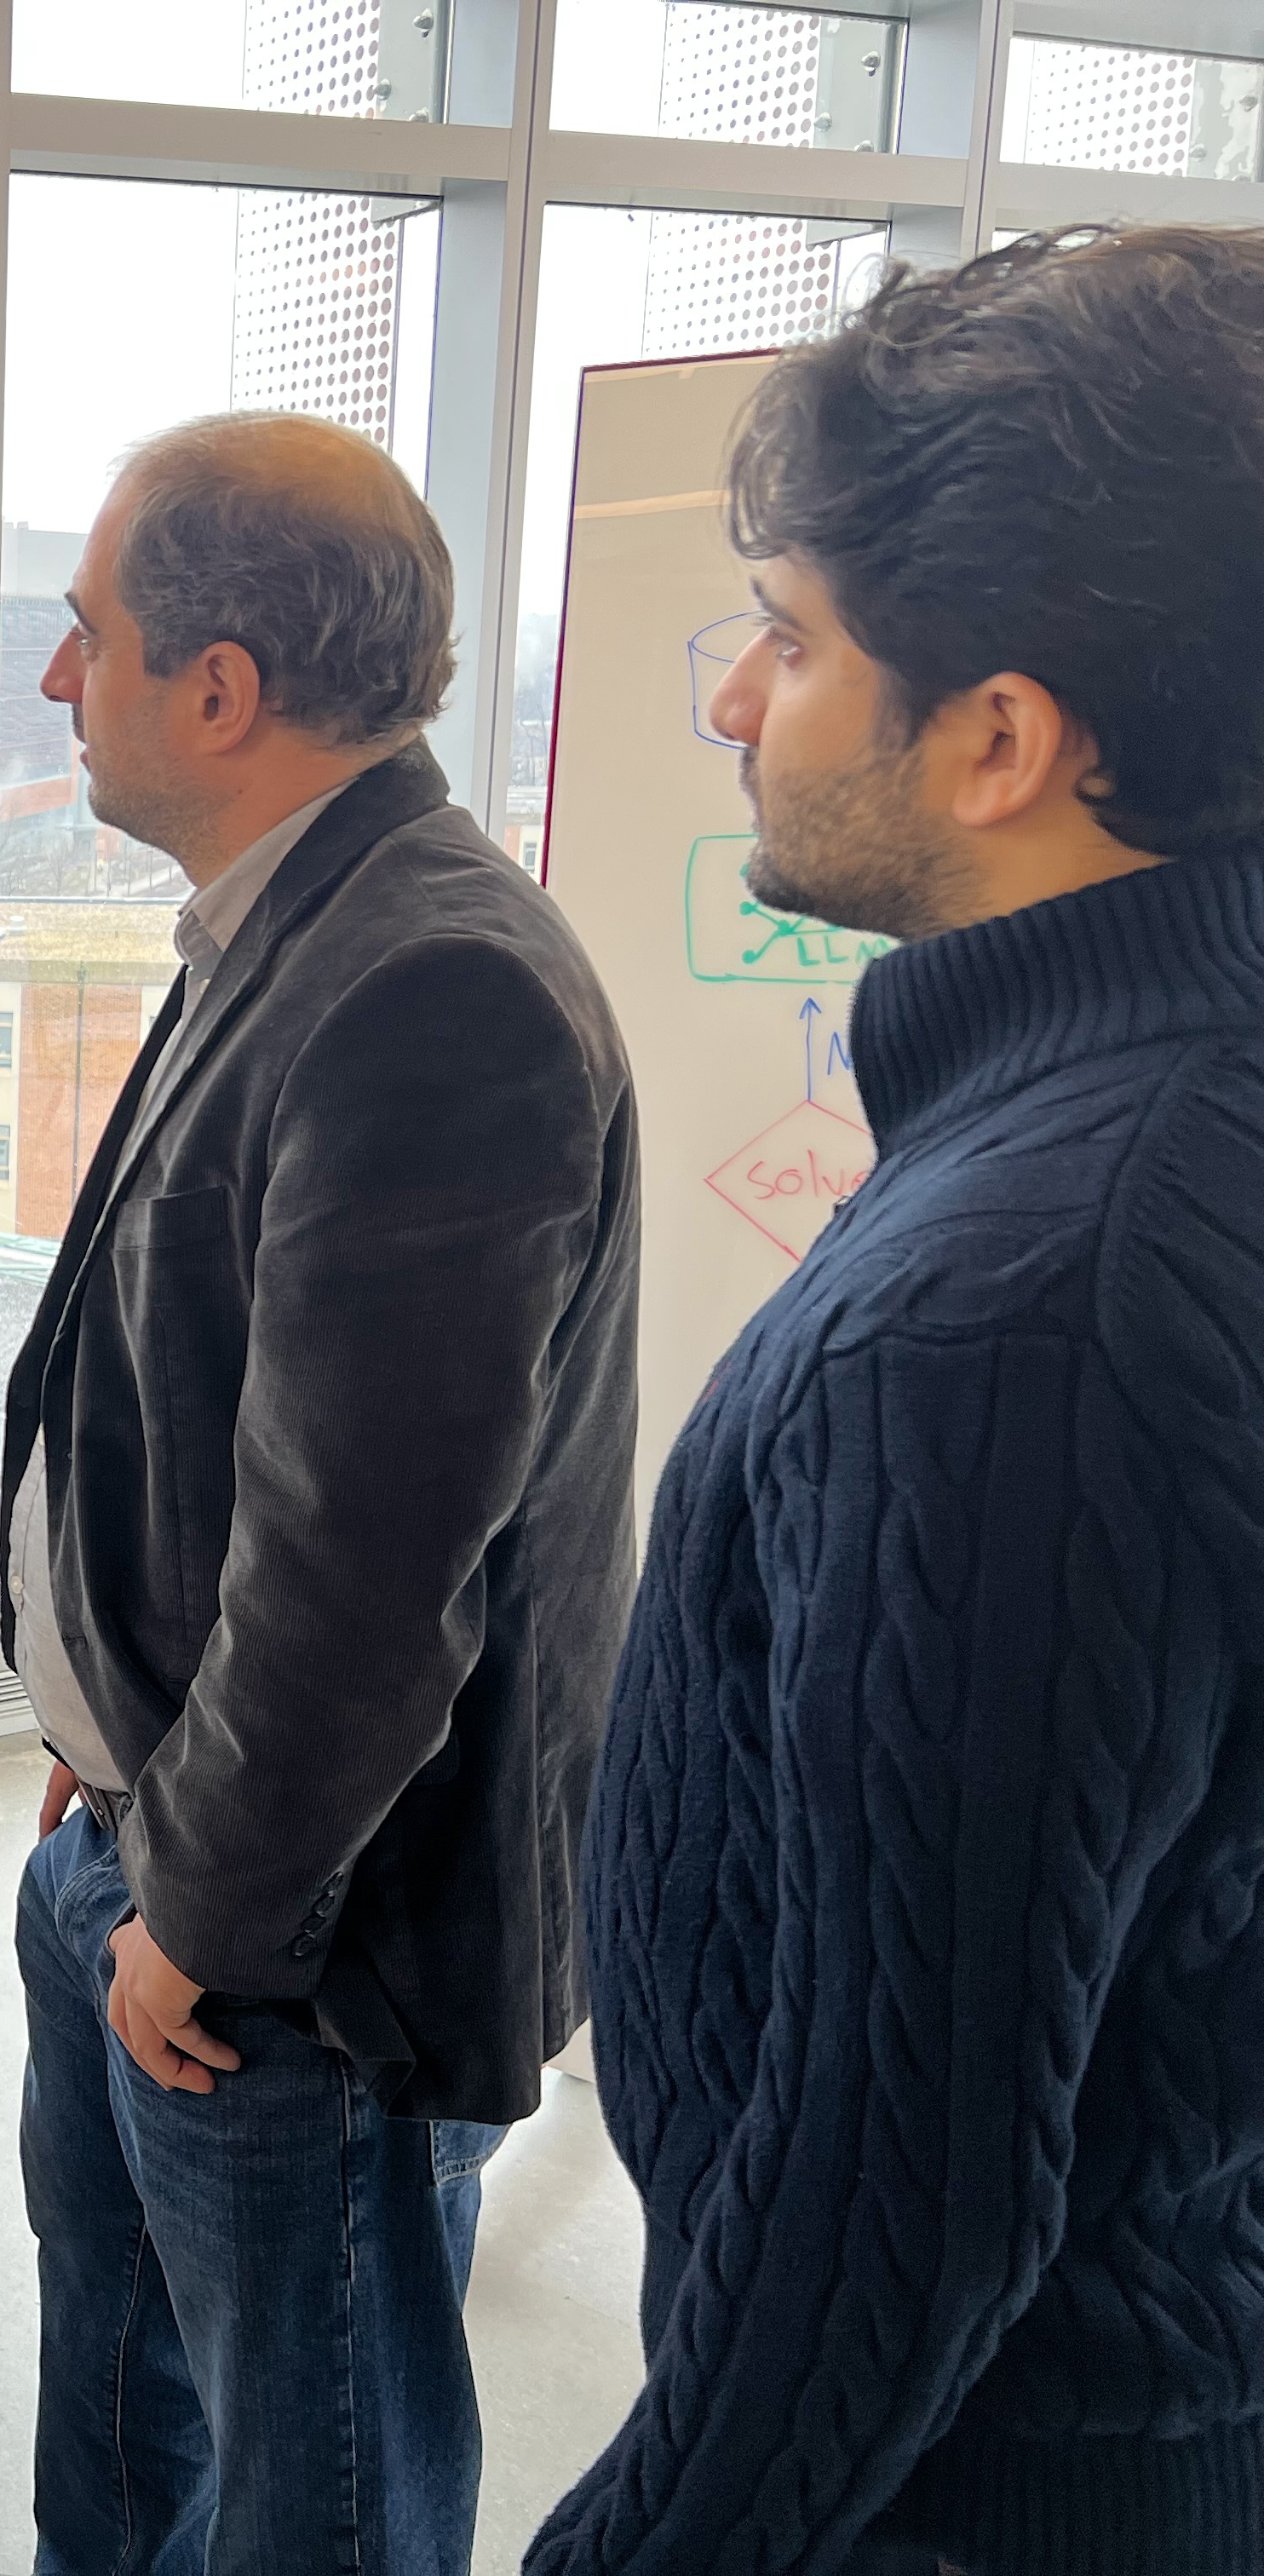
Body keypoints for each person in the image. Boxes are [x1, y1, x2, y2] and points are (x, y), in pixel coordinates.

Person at [530, 226, 1264, 2576]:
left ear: (1004, 735)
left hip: (966, 2483)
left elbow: (900, 2191)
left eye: (795, 633)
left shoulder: (1014, 1312)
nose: (741, 700)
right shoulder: (1162, 1121)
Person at [0, 414, 641, 2576]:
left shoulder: (435, 982)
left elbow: (363, 1572)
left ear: (218, 689)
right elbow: (223, 1426)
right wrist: (106, 1721)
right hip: (154, 1832)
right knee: (130, 2393)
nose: (57, 682)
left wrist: (202, 1908)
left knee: (310, 2477)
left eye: (88, 635)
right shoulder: (296, 915)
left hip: (295, 1950)